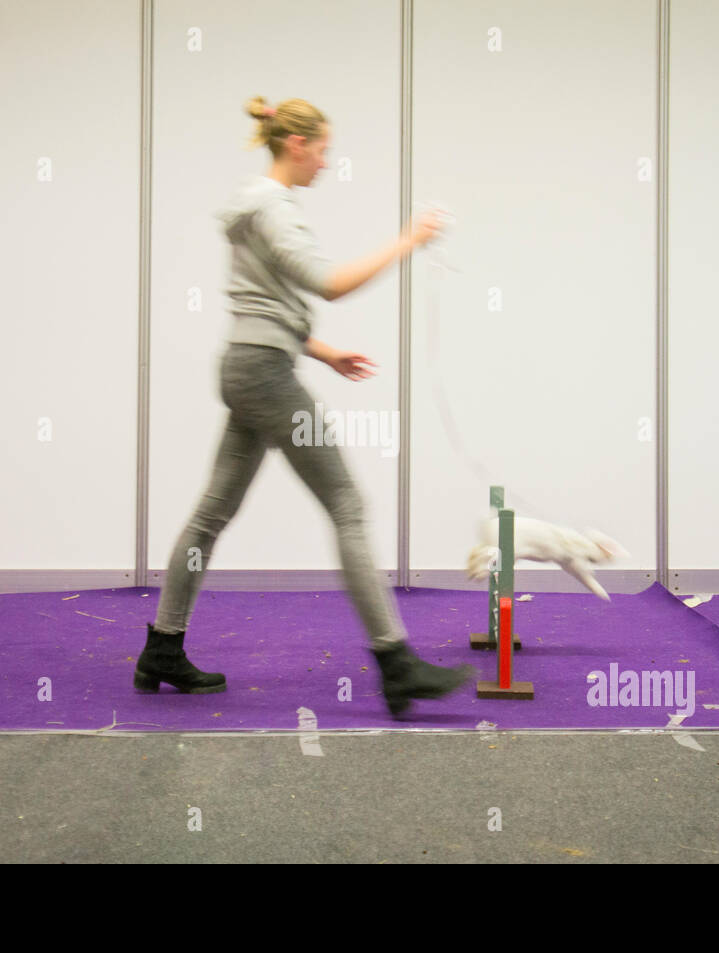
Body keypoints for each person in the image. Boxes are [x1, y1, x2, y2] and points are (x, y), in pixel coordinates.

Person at [134, 96, 473, 718]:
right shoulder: (274, 209)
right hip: (263, 376)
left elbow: (260, 307)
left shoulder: (254, 206)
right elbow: (330, 283)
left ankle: (162, 647)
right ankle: (396, 664)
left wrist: (320, 353)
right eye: (323, 150)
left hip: (249, 366)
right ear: (297, 144)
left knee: (211, 514)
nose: (326, 162)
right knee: (347, 505)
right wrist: (407, 240)